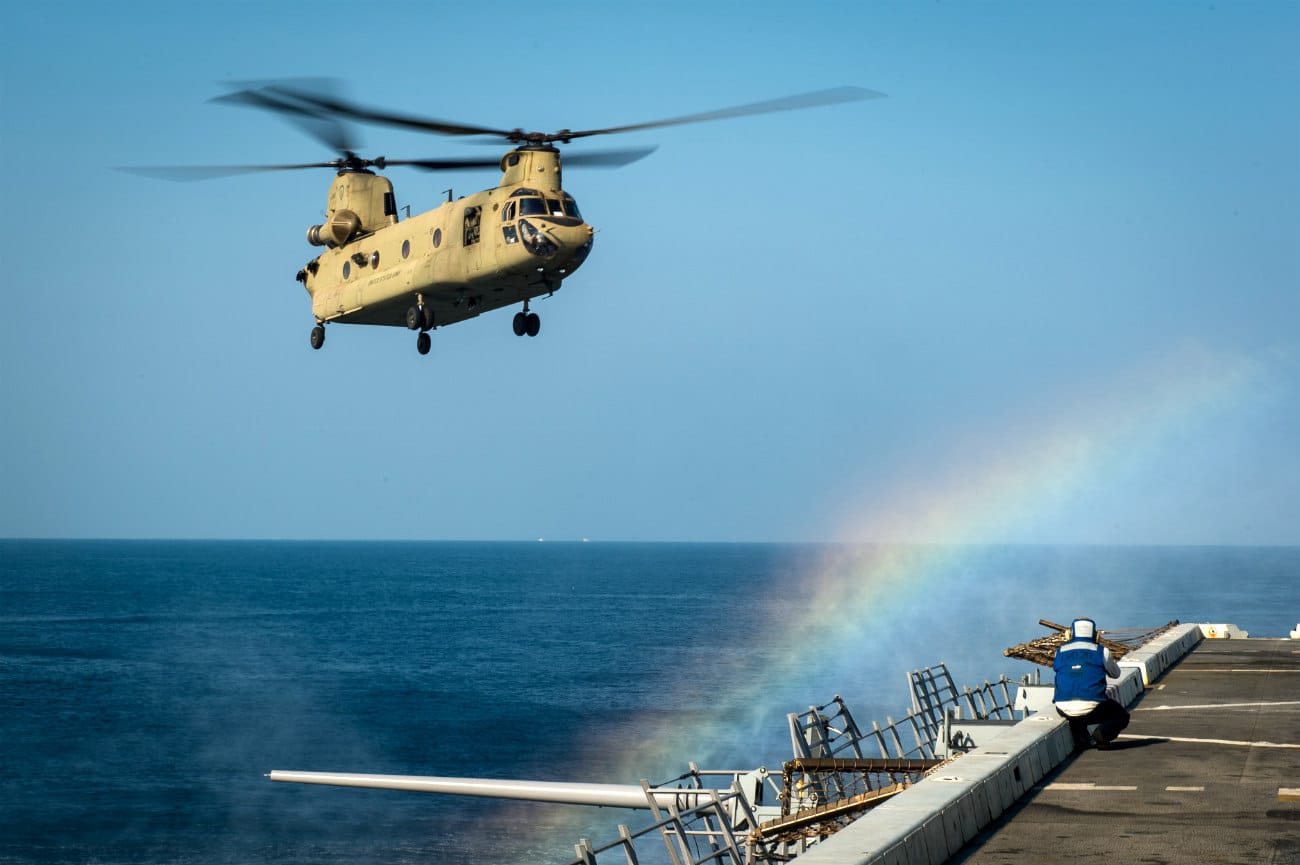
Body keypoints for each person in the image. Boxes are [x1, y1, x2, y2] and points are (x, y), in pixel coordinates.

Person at [1052, 617, 1130, 750]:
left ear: (1071, 633)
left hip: (1062, 707)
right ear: (1095, 634)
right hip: (1092, 708)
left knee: (1076, 712)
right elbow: (1116, 674)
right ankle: (1102, 736)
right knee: (1122, 716)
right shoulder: (1101, 651)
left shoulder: (1059, 651)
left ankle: (1081, 739)